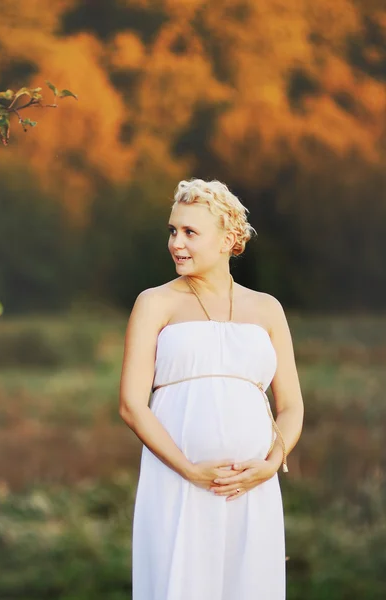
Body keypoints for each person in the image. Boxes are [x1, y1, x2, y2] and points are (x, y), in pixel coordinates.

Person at [119, 178, 304, 600]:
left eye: (189, 232)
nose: (176, 243)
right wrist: (190, 470)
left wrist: (272, 464)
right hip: (178, 483)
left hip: (251, 488)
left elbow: (291, 407)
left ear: (228, 239)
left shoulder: (267, 308)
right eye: (172, 230)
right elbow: (131, 405)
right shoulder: (154, 302)